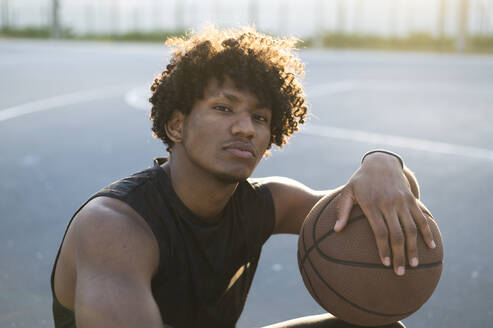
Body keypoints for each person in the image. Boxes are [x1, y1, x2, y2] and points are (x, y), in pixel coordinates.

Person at [50, 26, 436, 328]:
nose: (246, 129)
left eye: (260, 118)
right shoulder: (114, 227)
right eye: (223, 108)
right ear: (176, 125)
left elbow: (373, 206)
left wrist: (383, 164)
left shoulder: (267, 203)